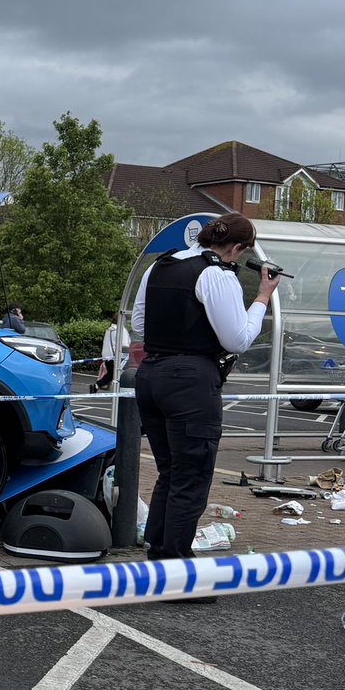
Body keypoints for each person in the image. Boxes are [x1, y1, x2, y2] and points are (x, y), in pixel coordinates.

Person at [131, 214, 279, 594]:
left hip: (151, 376)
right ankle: (178, 573)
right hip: (191, 383)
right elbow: (237, 340)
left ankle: (158, 559)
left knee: (170, 472)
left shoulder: (160, 265)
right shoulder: (218, 274)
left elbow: (140, 325)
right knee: (191, 476)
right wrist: (262, 297)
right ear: (238, 249)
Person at [90, 312, 129, 393]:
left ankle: (97, 386)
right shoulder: (121, 330)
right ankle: (98, 385)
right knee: (116, 374)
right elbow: (125, 344)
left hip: (107, 356)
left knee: (111, 374)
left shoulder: (109, 330)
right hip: (117, 356)